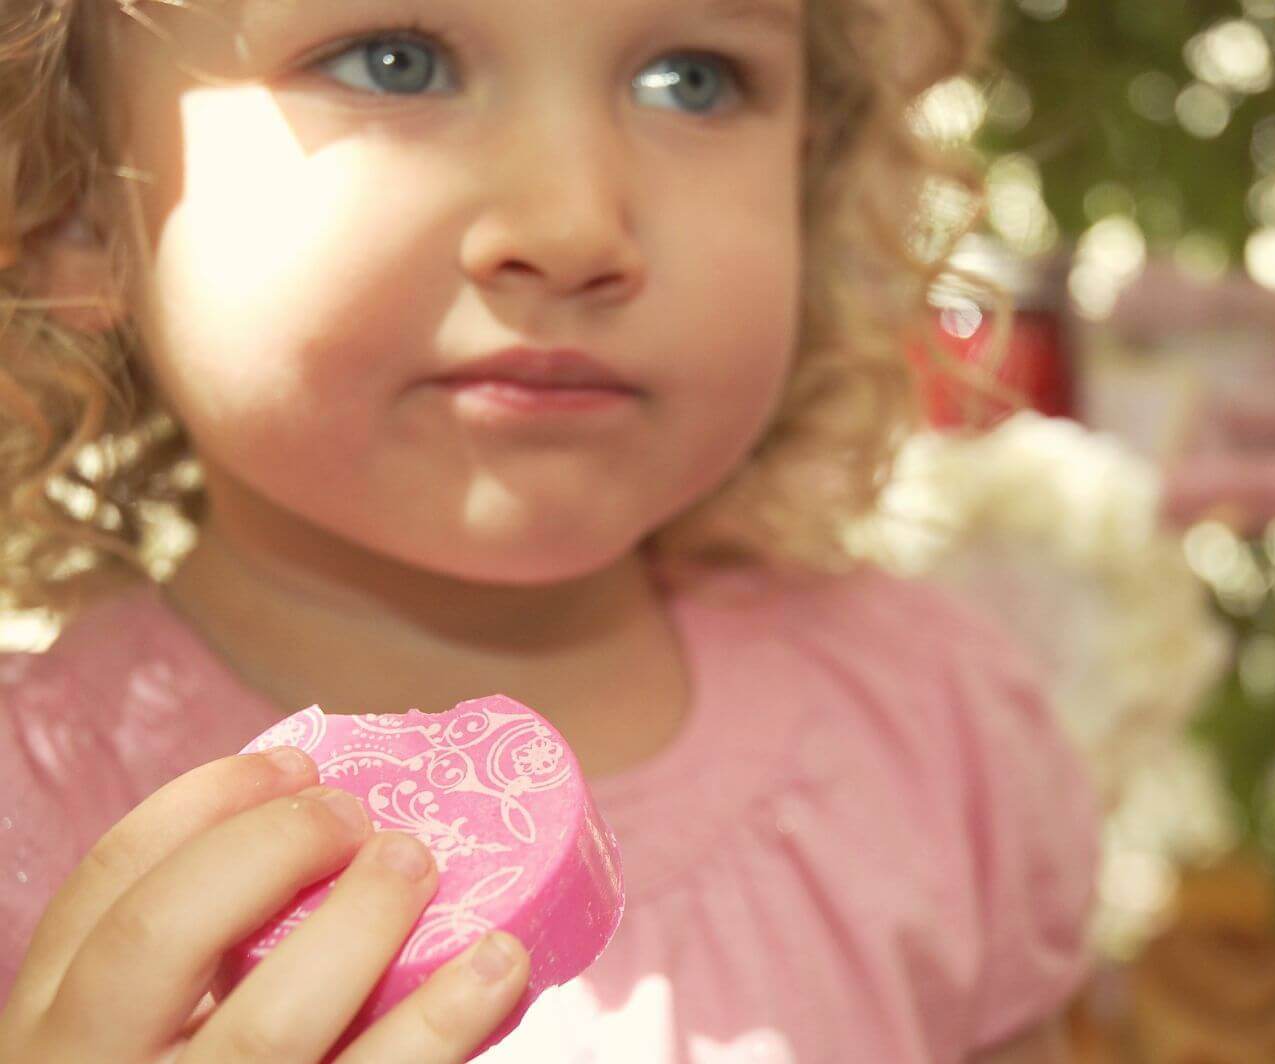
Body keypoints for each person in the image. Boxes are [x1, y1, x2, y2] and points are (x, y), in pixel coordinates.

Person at [0, 0, 1098, 1061]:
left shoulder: (934, 727)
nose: (573, 226)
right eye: (392, 61)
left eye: (692, 80)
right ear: (75, 201)